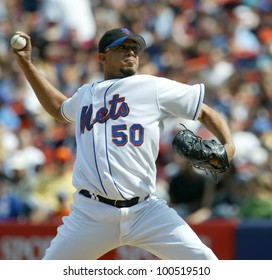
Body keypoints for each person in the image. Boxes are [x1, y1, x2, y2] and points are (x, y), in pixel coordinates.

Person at [12, 27, 235, 260]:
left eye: (134, 48)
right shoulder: (86, 93)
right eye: (122, 48)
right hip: (91, 213)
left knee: (206, 264)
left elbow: (205, 112)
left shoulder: (152, 87)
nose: (130, 53)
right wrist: (27, 64)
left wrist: (229, 146)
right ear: (102, 57)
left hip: (145, 210)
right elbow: (59, 109)